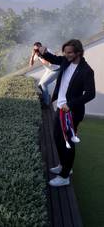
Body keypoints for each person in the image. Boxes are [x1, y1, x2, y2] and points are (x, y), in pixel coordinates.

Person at [35, 39, 95, 187]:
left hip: (72, 112)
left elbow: (90, 94)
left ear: (78, 53)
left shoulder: (86, 71)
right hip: (60, 109)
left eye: (69, 53)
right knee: (57, 137)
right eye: (65, 52)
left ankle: (65, 176)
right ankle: (64, 166)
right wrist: (43, 51)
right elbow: (53, 59)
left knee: (67, 143)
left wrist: (71, 104)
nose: (66, 55)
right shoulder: (66, 62)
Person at [29, 42, 60, 106]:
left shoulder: (48, 51)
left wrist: (40, 56)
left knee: (43, 84)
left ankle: (46, 103)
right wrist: (32, 55)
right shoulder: (37, 54)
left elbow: (48, 63)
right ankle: (46, 98)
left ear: (41, 47)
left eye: (38, 49)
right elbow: (30, 65)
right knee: (40, 85)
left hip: (56, 70)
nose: (37, 51)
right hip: (49, 70)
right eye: (35, 50)